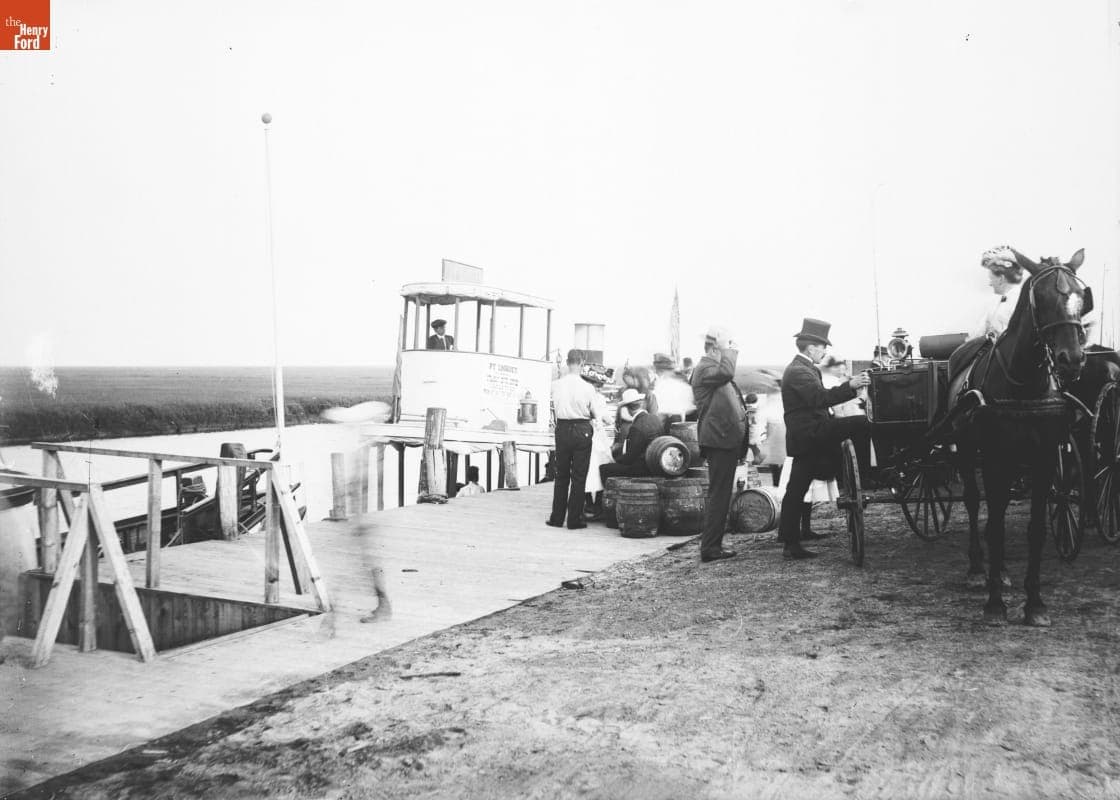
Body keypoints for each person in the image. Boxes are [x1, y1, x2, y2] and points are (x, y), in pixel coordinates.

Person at [777, 318, 871, 559]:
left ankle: (790, 541)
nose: (825, 351)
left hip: (810, 435)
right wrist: (851, 386)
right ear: (811, 348)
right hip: (811, 436)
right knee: (861, 423)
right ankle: (864, 479)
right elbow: (819, 398)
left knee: (796, 489)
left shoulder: (805, 368)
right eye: (822, 347)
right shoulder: (798, 371)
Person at [690, 325, 746, 563]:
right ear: (714, 348)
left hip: (723, 439)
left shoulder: (709, 368)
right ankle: (711, 548)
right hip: (719, 440)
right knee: (719, 494)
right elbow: (727, 373)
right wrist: (728, 350)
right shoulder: (706, 368)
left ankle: (713, 544)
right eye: (723, 347)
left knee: (721, 494)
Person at [547, 349, 600, 530]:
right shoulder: (588, 387)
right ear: (582, 364)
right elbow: (595, 413)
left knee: (561, 475)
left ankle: (556, 517)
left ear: (567, 363)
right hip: (582, 429)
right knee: (579, 476)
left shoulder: (556, 385)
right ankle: (574, 519)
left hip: (562, 428)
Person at [598, 389, 664, 483]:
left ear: (628, 409)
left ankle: (611, 496)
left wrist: (615, 460)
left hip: (643, 468)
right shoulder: (654, 418)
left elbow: (630, 457)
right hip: (657, 464)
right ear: (640, 405)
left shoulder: (637, 426)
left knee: (604, 468)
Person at [969, 245, 1024, 340]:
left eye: (991, 279)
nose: (990, 284)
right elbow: (976, 335)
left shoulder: (1020, 302)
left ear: (1001, 279)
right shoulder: (996, 303)